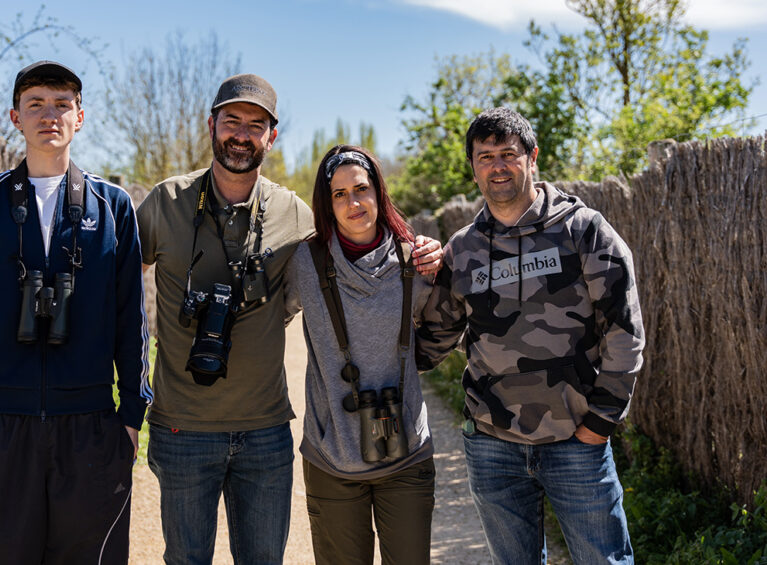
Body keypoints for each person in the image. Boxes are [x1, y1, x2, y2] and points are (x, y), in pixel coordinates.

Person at [136, 75, 441, 565]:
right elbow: (117, 287)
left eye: (256, 125)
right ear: (210, 124)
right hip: (182, 428)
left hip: (265, 431)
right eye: (231, 121)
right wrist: (132, 391)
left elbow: (358, 245)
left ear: (271, 138)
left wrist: (422, 252)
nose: (241, 134)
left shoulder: (294, 215)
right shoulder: (166, 202)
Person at [0, 60, 152, 564]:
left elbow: (132, 322)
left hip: (92, 430)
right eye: (35, 104)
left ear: (80, 116)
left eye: (61, 104)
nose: (49, 115)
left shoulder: (112, 207)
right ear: (15, 117)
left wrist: (131, 421)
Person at [417, 107, 645, 565]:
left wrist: (600, 423)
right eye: (485, 157)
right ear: (474, 166)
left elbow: (625, 333)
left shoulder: (583, 231)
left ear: (532, 157)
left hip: (575, 443)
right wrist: (409, 279)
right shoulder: (464, 249)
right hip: (492, 444)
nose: (497, 166)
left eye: (508, 154)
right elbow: (430, 344)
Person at [284, 145, 439, 564]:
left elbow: (449, 325)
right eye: (339, 194)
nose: (353, 202)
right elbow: (263, 320)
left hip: (407, 457)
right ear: (326, 203)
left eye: (361, 189)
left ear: (378, 193)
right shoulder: (304, 262)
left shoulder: (416, 260)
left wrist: (441, 262)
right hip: (330, 457)